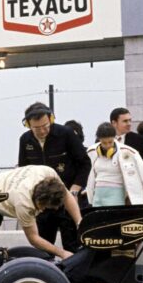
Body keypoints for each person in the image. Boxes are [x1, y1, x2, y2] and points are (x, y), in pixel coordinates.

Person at [18, 102, 90, 252]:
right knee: (44, 248)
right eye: (37, 128)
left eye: (46, 125)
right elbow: (24, 170)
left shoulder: (66, 134)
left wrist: (75, 190)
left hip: (68, 199)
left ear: (51, 119)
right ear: (28, 125)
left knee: (73, 246)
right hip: (42, 203)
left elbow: (84, 163)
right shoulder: (25, 140)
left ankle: (73, 275)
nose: (43, 131)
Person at [0, 165, 82, 260]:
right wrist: (62, 253)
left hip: (5, 185)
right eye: (44, 207)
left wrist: (80, 222)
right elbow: (33, 238)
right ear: (38, 200)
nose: (43, 210)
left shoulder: (48, 173)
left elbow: (67, 196)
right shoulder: (24, 202)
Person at [86, 123, 143, 207]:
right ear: (99, 140)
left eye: (110, 142)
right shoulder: (92, 151)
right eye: (104, 143)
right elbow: (90, 173)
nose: (107, 146)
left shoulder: (128, 151)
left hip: (116, 193)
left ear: (114, 138)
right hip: (98, 193)